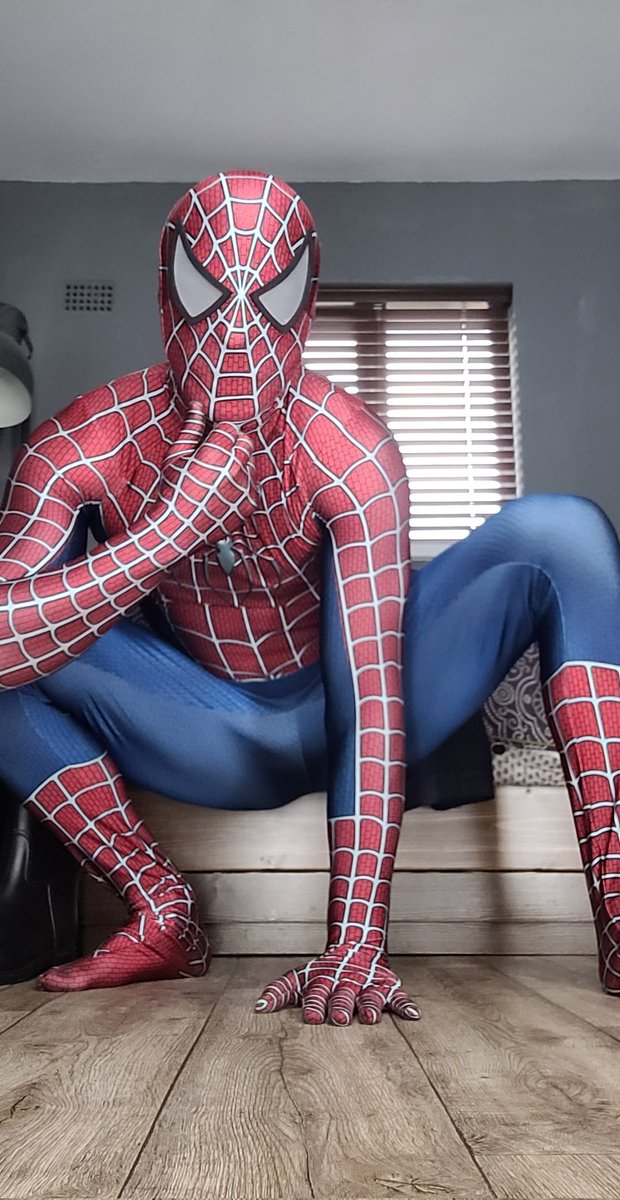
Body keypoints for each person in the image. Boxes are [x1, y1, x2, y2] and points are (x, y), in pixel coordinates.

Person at [1, 170, 619, 1025]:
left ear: (308, 299)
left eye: (272, 296)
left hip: (345, 705)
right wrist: (167, 534)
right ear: (166, 291)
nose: (237, 331)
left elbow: (371, 696)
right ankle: (164, 908)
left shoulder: (350, 449)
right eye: (207, 292)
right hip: (208, 726)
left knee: (563, 533)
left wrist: (356, 939)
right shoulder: (84, 445)